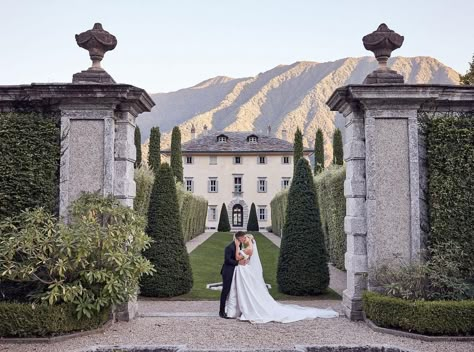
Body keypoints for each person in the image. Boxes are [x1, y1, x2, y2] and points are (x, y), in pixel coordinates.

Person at [225, 234, 339, 323]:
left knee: (250, 292)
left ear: (249, 239)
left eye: (245, 238)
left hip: (244, 269)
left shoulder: (249, 248)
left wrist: (236, 246)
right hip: (245, 269)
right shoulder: (249, 247)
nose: (243, 240)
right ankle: (244, 306)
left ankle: (249, 308)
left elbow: (237, 257)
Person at [219, 231, 247, 318]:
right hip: (227, 271)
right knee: (225, 291)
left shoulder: (239, 246)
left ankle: (235, 309)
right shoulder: (229, 247)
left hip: (235, 271)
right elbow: (227, 260)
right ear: (238, 238)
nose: (244, 239)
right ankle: (221, 311)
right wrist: (238, 262)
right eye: (243, 237)